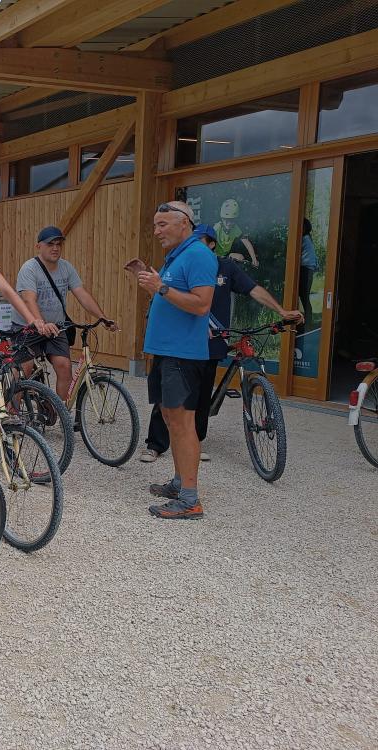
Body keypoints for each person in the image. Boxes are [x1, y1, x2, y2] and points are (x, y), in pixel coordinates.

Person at [139, 224, 303, 463]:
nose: (195, 245)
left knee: (201, 396)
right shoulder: (179, 261)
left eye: (201, 240)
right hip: (180, 340)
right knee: (169, 394)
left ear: (212, 244)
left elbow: (254, 290)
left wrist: (281, 311)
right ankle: (156, 444)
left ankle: (194, 441)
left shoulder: (226, 267)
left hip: (213, 341)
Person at [136, 201, 217, 520]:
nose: (156, 231)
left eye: (162, 225)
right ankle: (180, 482)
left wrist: (161, 287)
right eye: (155, 225)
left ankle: (190, 499)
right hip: (169, 354)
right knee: (171, 418)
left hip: (183, 357)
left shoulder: (198, 255)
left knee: (183, 424)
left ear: (184, 224)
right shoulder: (180, 256)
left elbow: (201, 305)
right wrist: (157, 285)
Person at [12, 226, 117, 400]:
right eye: (50, 244)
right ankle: (12, 416)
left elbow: (82, 294)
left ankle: (59, 412)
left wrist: (103, 317)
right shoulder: (29, 269)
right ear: (39, 246)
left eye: (58, 244)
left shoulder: (66, 268)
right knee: (24, 368)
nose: (55, 248)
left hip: (56, 327)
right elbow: (29, 300)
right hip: (28, 326)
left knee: (64, 366)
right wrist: (41, 323)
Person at [213, 198, 259, 268]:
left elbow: (246, 242)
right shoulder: (217, 228)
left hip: (225, 256)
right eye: (226, 220)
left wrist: (254, 259)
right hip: (214, 256)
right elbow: (208, 244)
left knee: (240, 257)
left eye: (232, 220)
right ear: (222, 218)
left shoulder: (235, 228)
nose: (229, 223)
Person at [298, 218, 319, 331]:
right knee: (303, 296)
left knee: (304, 296)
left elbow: (296, 251)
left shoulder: (304, 239)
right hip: (307, 268)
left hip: (305, 268)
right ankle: (306, 321)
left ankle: (308, 323)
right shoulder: (307, 238)